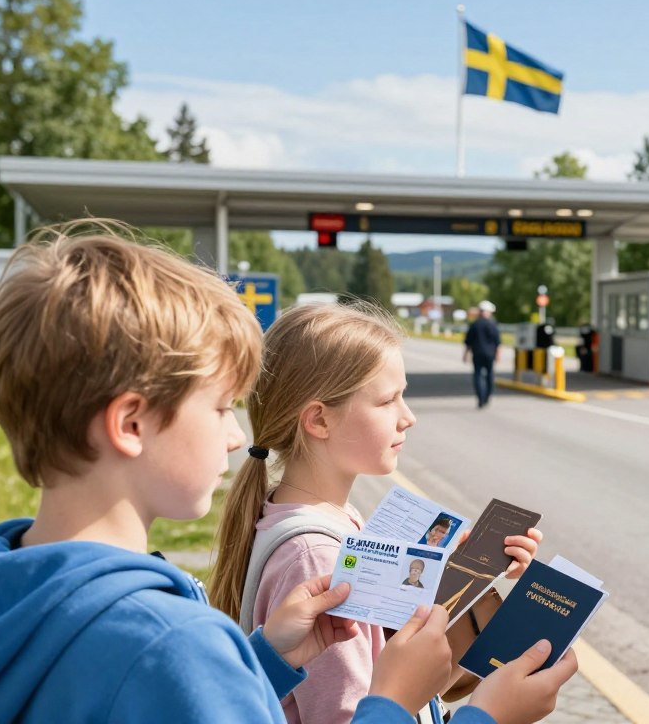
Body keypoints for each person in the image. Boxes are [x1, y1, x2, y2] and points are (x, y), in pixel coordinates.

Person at [0, 224, 462, 722]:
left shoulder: (22, 592)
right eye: (221, 407)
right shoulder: (173, 645)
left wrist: (266, 660)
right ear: (131, 424)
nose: (237, 437)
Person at [212, 301, 571, 724]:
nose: (409, 418)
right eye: (388, 401)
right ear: (319, 421)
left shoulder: (318, 519)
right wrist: (490, 715)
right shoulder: (318, 556)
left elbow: (395, 683)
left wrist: (469, 579)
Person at [463, 301, 501, 408]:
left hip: (477, 354)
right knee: (489, 375)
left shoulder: (474, 324)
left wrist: (466, 355)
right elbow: (497, 342)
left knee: (477, 375)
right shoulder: (492, 324)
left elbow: (468, 342)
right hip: (490, 354)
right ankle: (487, 397)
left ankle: (480, 398)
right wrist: (498, 355)